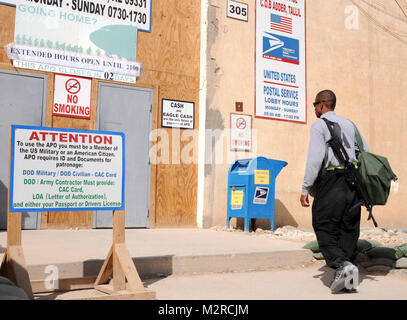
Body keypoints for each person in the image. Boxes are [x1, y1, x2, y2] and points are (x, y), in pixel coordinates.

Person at [300, 89, 369, 293]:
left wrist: (305, 188)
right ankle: (348, 278)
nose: (314, 108)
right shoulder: (351, 124)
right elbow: (365, 150)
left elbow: (315, 159)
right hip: (354, 184)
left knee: (323, 223)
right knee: (348, 228)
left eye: (315, 105)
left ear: (321, 105)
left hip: (333, 181)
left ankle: (342, 265)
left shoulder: (320, 125)